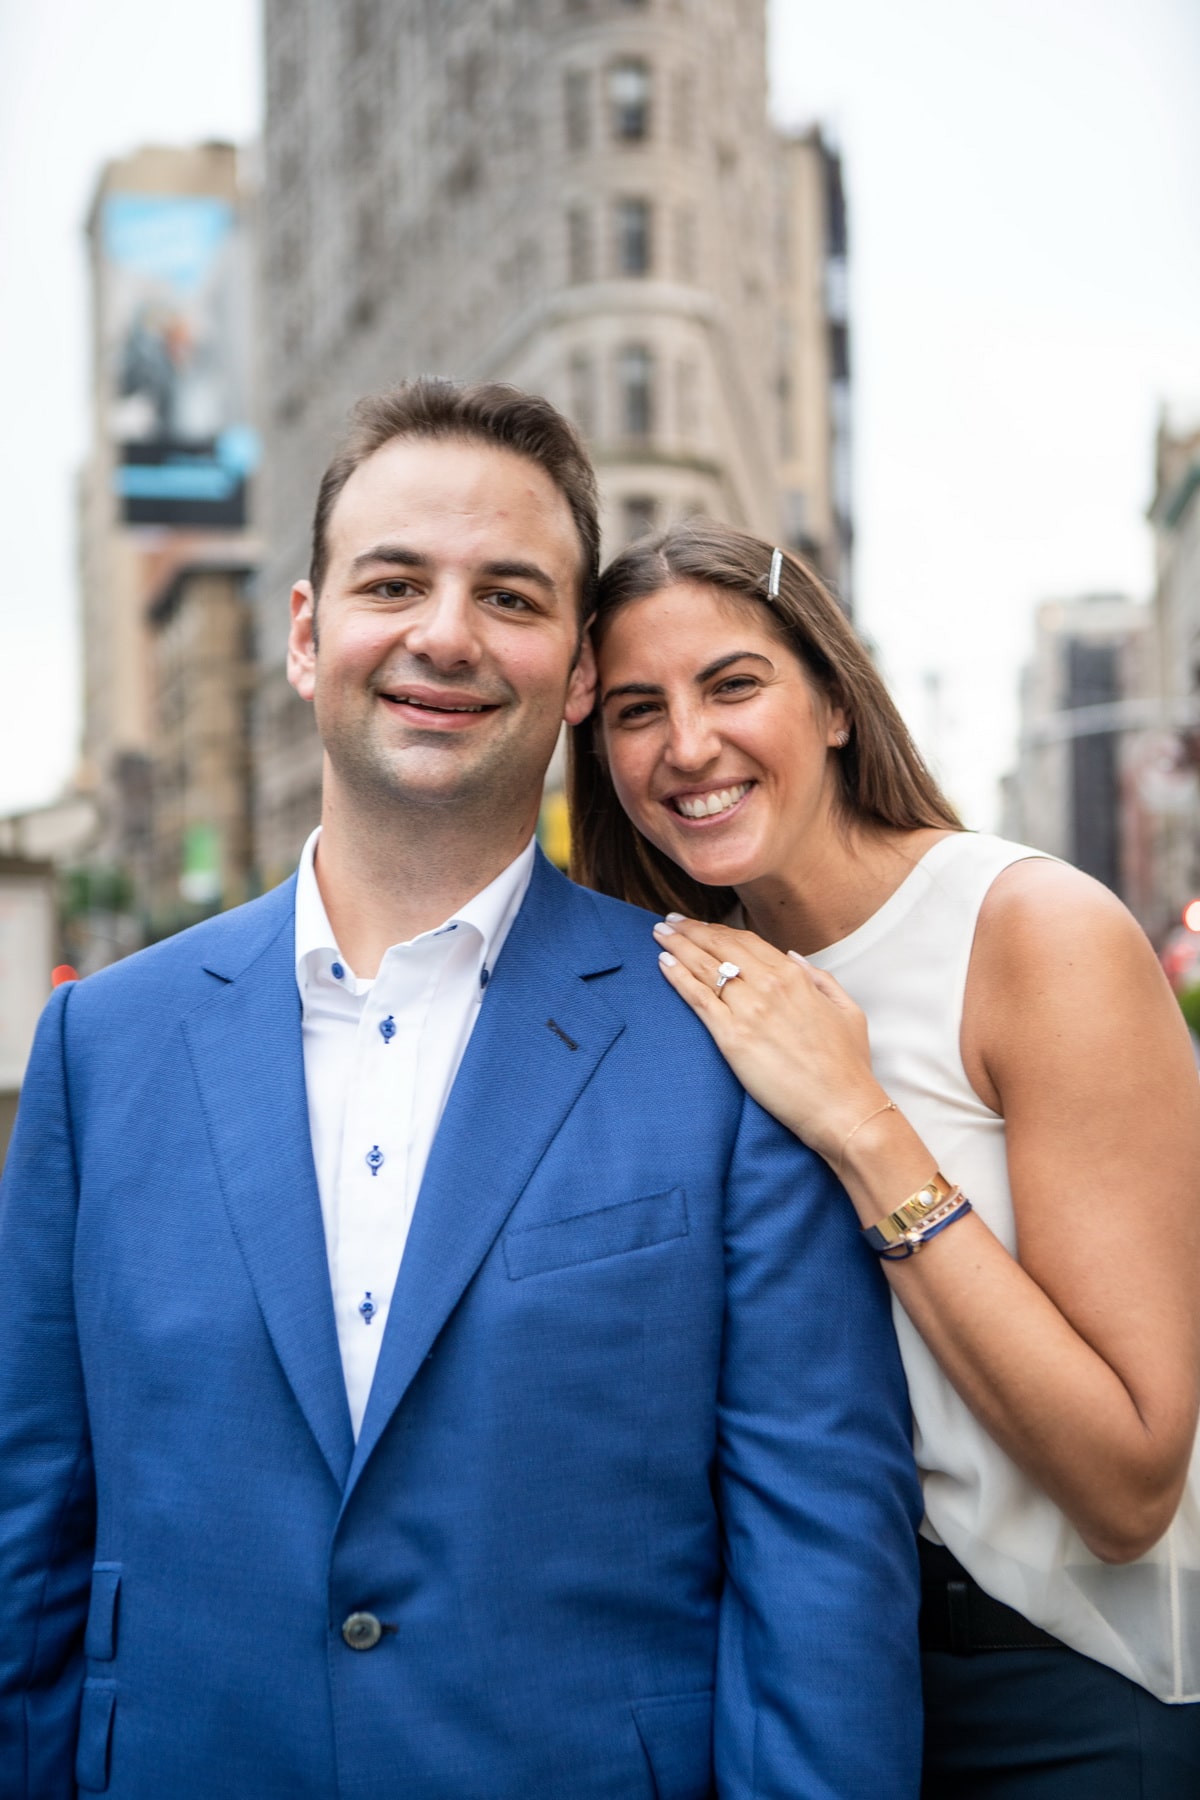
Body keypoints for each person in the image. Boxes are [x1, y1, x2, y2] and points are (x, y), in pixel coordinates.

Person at [0, 383, 922, 1800]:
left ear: (570, 676)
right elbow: (30, 1535)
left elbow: (820, 1576)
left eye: (509, 594)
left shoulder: (731, 1039)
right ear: (308, 637)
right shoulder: (100, 1048)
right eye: (393, 583)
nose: (444, 633)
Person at [570, 517, 1200, 1797]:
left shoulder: (1033, 933)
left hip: (1063, 1682)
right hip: (802, 1679)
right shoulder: (681, 979)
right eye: (636, 710)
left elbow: (1130, 1478)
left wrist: (861, 1124)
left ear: (836, 703)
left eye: (733, 684)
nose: (687, 745)